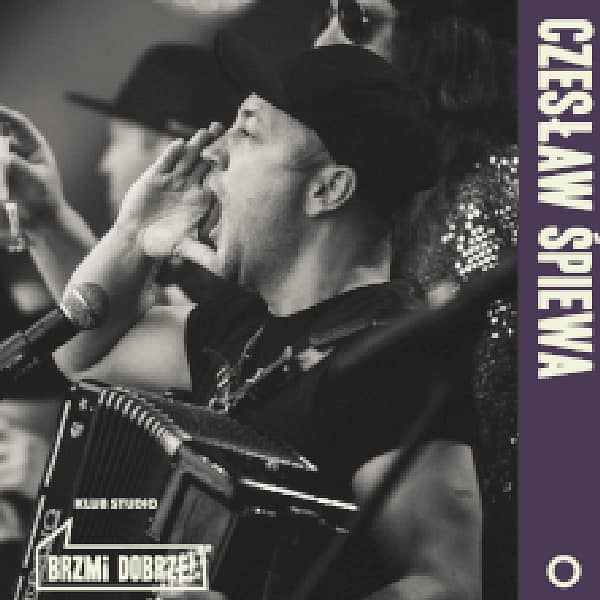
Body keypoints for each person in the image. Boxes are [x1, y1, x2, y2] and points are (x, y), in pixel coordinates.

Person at [4, 37, 481, 600]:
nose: (213, 150)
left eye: (247, 132)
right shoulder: (243, 322)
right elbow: (90, 350)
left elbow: (448, 583)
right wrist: (78, 225)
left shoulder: (393, 361)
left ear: (328, 189)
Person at [0, 43, 239, 304]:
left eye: (116, 140)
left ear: (173, 150)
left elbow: (133, 322)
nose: (104, 165)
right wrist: (43, 218)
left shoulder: (220, 267)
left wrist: (47, 220)